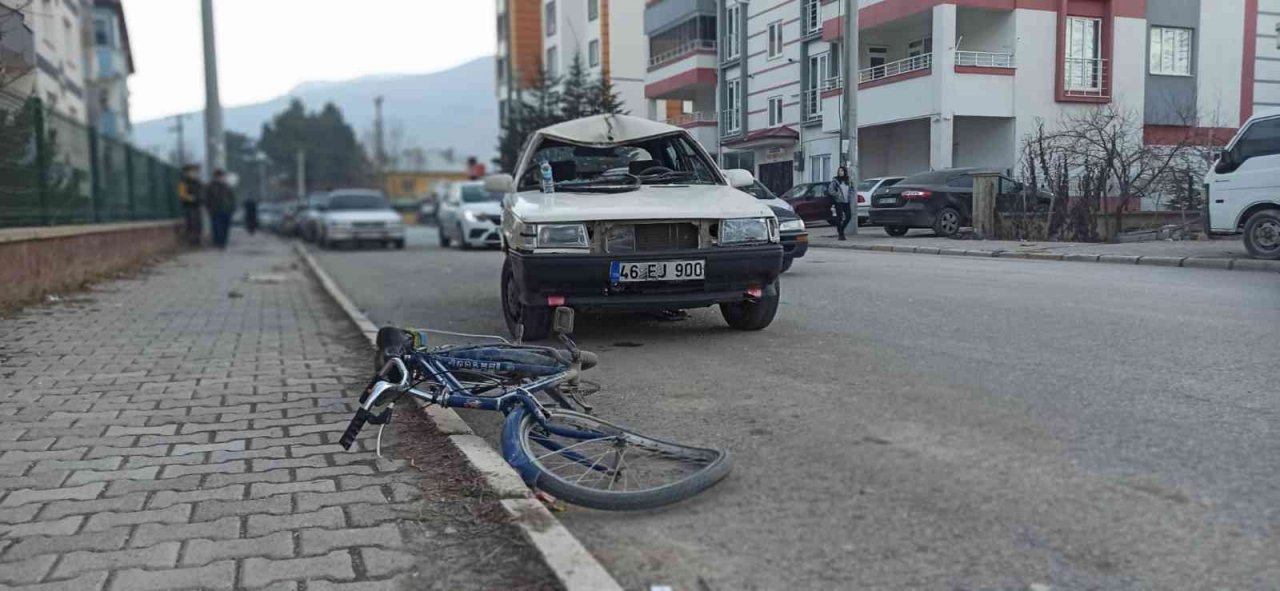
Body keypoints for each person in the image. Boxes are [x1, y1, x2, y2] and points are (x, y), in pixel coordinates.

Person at [203, 169, 237, 249]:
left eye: (222, 176)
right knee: (217, 227)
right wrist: (209, 209)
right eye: (219, 176)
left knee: (225, 228)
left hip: (227, 210)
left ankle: (223, 242)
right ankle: (218, 243)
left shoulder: (227, 186)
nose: (221, 178)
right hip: (216, 210)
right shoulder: (210, 186)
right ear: (215, 177)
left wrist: (232, 208)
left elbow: (232, 198)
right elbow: (207, 199)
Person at [177, 165, 203, 246]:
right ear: (187, 172)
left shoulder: (198, 182)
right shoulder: (184, 182)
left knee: (198, 224)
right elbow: (182, 194)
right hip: (189, 206)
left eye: (195, 172)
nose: (195, 173)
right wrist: (190, 198)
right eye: (193, 172)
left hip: (197, 205)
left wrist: (201, 198)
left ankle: (197, 240)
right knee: (190, 223)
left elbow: (202, 192)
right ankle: (190, 241)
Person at [827, 166, 854, 240]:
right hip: (838, 201)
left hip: (846, 201)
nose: (840, 172)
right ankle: (841, 234)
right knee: (839, 217)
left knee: (849, 216)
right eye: (839, 171)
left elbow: (852, 189)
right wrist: (837, 194)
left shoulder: (848, 180)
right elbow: (830, 190)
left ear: (845, 172)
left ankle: (841, 229)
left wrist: (850, 196)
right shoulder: (835, 180)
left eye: (842, 171)